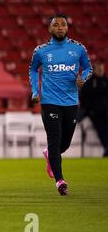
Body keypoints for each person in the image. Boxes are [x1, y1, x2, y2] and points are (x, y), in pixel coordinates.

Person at [29, 14, 92, 196]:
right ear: (49, 28)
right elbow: (33, 69)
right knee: (55, 141)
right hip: (49, 102)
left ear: (67, 27)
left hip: (71, 102)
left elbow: (88, 68)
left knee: (63, 145)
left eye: (63, 24)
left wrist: (84, 78)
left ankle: (50, 154)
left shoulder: (78, 48)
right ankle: (60, 181)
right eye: (55, 24)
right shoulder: (41, 51)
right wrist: (35, 90)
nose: (59, 27)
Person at [79, 60, 108, 157]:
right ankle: (106, 147)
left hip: (105, 111)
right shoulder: (90, 82)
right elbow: (83, 97)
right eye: (99, 69)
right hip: (94, 112)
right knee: (101, 129)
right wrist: (87, 109)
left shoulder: (105, 81)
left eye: (102, 68)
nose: (101, 70)